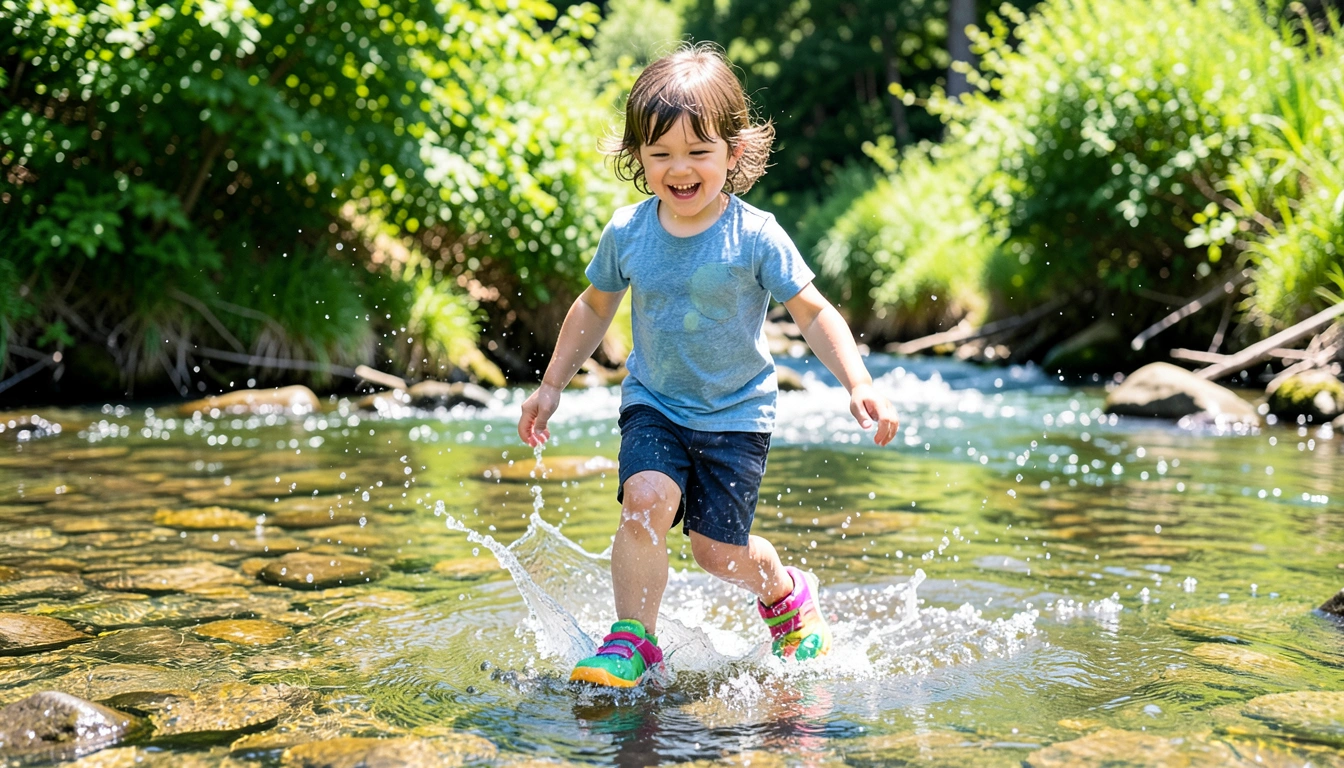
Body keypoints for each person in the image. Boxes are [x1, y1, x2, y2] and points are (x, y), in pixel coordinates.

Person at [516, 43, 899, 689]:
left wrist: (858, 382)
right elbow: (594, 306)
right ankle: (633, 639)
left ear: (734, 151)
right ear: (637, 156)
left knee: (716, 554)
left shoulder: (756, 234)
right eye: (660, 153)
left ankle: (783, 594)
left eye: (698, 152)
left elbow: (812, 311)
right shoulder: (628, 232)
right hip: (654, 402)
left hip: (737, 412)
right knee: (643, 502)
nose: (680, 168)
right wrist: (551, 385)